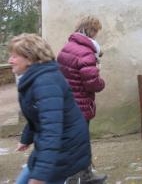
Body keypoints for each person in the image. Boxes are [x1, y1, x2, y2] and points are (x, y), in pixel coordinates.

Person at [8, 34, 91, 184]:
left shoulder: (45, 82)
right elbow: (38, 114)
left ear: (30, 58)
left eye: (14, 56)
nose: (10, 61)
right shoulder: (36, 78)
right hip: (55, 149)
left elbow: (51, 130)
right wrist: (26, 138)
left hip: (66, 152)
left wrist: (40, 175)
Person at [57, 16, 106, 183]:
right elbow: (92, 83)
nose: (96, 35)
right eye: (96, 31)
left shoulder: (67, 48)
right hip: (81, 104)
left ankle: (85, 175)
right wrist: (101, 83)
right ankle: (79, 178)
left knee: (76, 141)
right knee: (81, 142)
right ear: (90, 30)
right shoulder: (86, 52)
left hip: (68, 102)